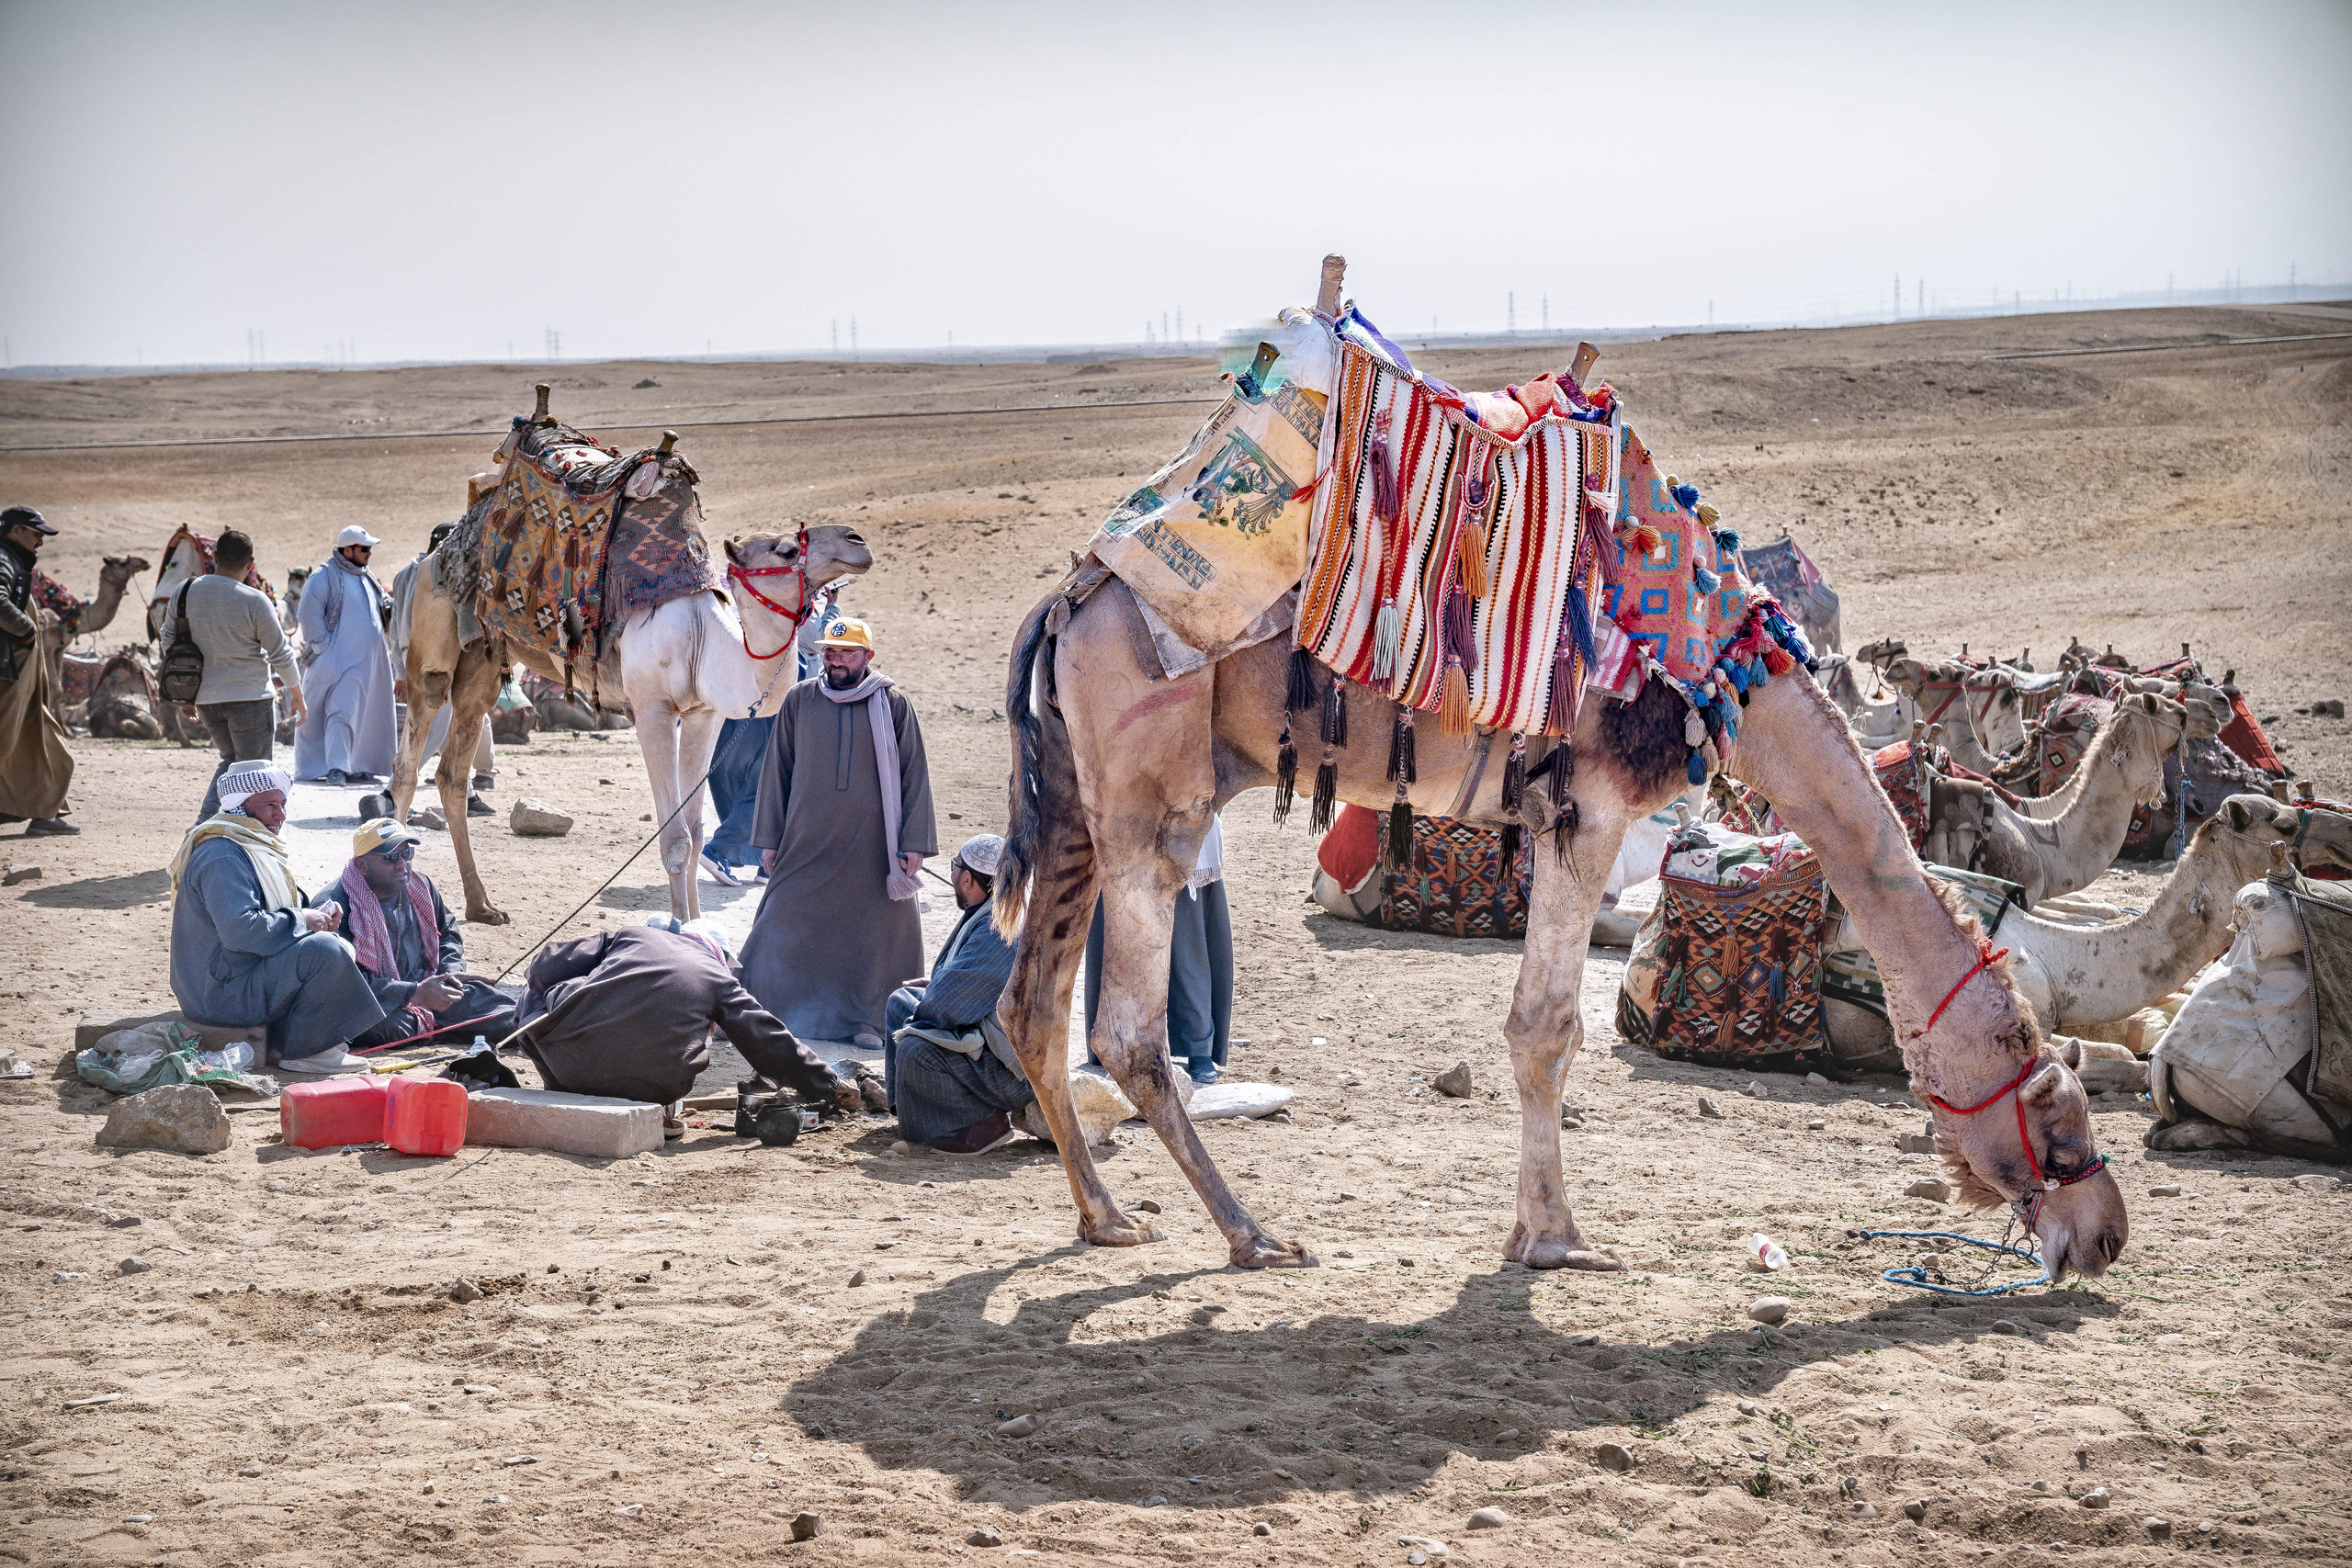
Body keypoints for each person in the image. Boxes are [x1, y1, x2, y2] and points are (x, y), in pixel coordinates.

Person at [737, 618, 937, 1046]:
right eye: (831, 652)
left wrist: (913, 844)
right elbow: (777, 771)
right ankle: (755, 1010)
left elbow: (913, 774)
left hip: (874, 845)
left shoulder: (893, 703)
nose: (837, 661)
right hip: (806, 839)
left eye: (847, 653)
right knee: (779, 918)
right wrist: (769, 839)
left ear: (868, 656)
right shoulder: (799, 699)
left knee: (877, 931)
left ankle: (869, 1021)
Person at [166, 761, 394, 1075]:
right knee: (326, 951)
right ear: (240, 806)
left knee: (331, 943)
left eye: (283, 804)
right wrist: (302, 920)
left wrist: (317, 914)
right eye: (270, 805)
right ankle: (307, 1051)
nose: (280, 815)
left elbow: (277, 905)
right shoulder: (222, 855)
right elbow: (242, 931)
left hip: (234, 977)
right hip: (218, 995)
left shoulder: (248, 844)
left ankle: (303, 1041)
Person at [513, 918, 860, 1115]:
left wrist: (582, 986)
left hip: (568, 1068)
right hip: (654, 1089)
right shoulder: (719, 979)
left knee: (532, 995)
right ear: (720, 956)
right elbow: (768, 1038)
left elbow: (543, 968)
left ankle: (558, 1088)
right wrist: (828, 1083)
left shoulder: (634, 935)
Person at [882, 834, 1033, 1153]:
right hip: (984, 1034)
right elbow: (953, 991)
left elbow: (947, 1006)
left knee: (913, 1049)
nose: (952, 876)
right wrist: (935, 989)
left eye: (954, 868)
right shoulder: (994, 910)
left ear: (966, 878)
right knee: (900, 1002)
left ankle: (982, 1122)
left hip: (1012, 1073)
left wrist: (923, 1016)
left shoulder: (999, 928)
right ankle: (910, 1109)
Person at [308, 818, 513, 1049]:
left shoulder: (420, 885)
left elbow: (446, 932)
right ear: (362, 865)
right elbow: (342, 982)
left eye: (407, 854)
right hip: (373, 1002)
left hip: (428, 987)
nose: (402, 865)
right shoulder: (335, 905)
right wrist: (413, 993)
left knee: (502, 1010)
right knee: (388, 1027)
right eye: (390, 857)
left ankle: (435, 1025)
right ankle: (441, 1027)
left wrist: (451, 970)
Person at [156, 527, 306, 822]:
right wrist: (298, 696)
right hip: (249, 700)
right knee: (254, 771)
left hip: (207, 702)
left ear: (213, 557)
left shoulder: (184, 592)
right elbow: (280, 653)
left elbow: (168, 643)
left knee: (231, 763)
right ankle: (211, 828)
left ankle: (213, 827)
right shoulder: (254, 600)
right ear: (251, 564)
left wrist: (187, 695)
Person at [701, 584, 842, 886]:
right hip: (765, 714)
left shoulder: (745, 612)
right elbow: (824, 641)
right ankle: (720, 852)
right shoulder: (790, 613)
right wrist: (830, 607)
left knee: (752, 788)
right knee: (770, 790)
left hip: (740, 710)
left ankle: (767, 861)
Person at [1083, 814, 1233, 1085]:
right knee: (1121, 946)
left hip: (1185, 821)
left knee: (1189, 948)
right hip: (1124, 819)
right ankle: (1116, 1043)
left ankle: (1198, 1047)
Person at [388, 527, 492, 816]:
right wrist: (400, 669)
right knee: (430, 727)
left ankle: (467, 793)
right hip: (431, 660)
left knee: (459, 726)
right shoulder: (421, 573)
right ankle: (391, 791)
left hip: (446, 656)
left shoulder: (439, 571)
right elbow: (398, 626)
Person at [295, 524, 397, 786]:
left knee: (368, 714)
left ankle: (358, 764)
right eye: (364, 549)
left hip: (370, 665)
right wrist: (325, 649)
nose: (369, 554)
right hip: (340, 662)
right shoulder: (324, 576)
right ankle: (337, 767)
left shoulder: (367, 577)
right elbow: (309, 614)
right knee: (342, 710)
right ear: (348, 549)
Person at [0, 505, 78, 836]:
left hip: (24, 680)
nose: (40, 542)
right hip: (10, 675)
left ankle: (46, 813)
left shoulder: (13, 560)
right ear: (15, 531)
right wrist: (29, 629)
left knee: (48, 744)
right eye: (36, 534)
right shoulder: (3, 559)